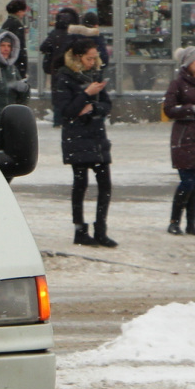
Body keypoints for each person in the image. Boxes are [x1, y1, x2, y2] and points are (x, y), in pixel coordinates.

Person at [52, 38, 115, 247]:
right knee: (81, 184)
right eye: (89, 58)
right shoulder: (64, 77)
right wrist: (86, 94)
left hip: (97, 136)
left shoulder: (95, 74)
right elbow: (66, 112)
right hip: (77, 137)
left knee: (105, 184)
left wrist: (93, 108)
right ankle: (80, 230)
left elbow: (107, 104)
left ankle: (100, 229)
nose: (93, 61)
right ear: (78, 57)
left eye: (95, 57)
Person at [162, 46, 195, 235]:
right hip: (184, 137)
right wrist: (192, 109)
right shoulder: (177, 83)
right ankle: (174, 221)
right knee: (187, 181)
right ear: (189, 63)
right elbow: (169, 109)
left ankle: (191, 223)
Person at [39, 7, 79, 79]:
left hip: (55, 69)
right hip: (72, 69)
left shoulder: (54, 33)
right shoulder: (75, 35)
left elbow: (43, 47)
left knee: (57, 88)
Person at [1, 0, 29, 79]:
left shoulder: (7, 23)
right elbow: (20, 47)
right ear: (19, 11)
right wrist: (22, 69)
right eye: (23, 11)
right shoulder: (17, 24)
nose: (24, 14)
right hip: (15, 65)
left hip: (10, 63)